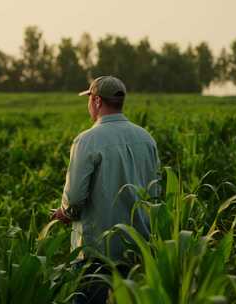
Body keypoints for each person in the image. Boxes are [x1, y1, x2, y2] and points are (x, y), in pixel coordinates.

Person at [51, 76, 160, 304]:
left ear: (98, 101)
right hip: (138, 250)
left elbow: (73, 199)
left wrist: (64, 213)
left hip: (97, 253)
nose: (88, 104)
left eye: (89, 98)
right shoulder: (146, 138)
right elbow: (154, 192)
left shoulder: (87, 141)